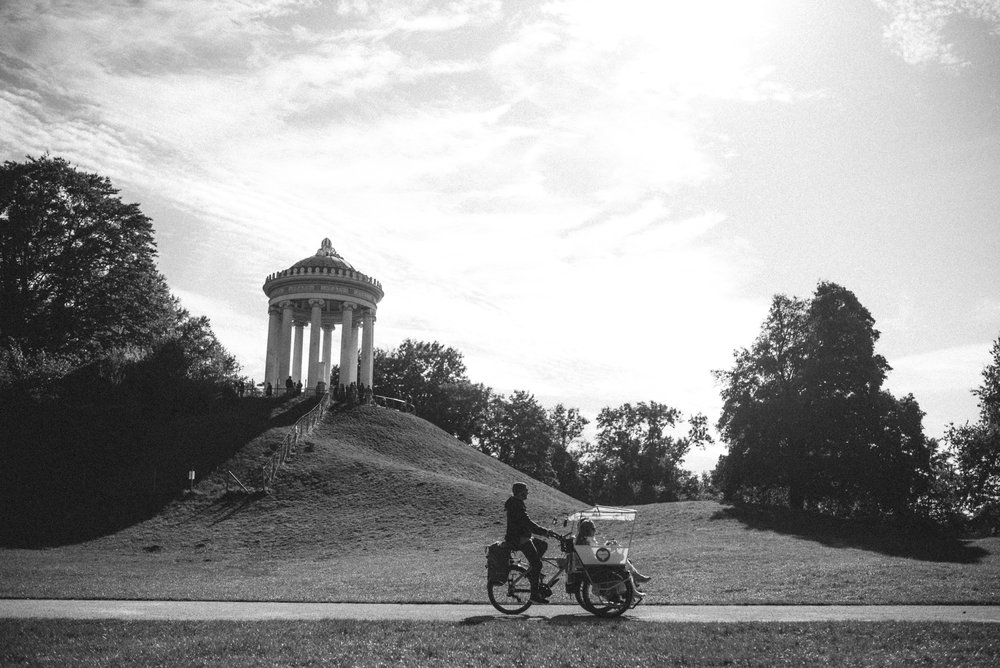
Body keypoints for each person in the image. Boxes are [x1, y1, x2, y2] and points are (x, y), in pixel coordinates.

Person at [505, 482, 559, 603]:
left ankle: (534, 571)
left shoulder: (517, 503)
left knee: (543, 545)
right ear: (520, 492)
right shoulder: (516, 505)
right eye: (526, 490)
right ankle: (534, 595)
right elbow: (528, 523)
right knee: (537, 564)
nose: (527, 492)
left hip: (523, 537)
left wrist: (545, 532)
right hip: (518, 539)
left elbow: (527, 524)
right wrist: (545, 532)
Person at [575, 519, 651, 588]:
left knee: (622, 558)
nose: (595, 531)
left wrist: (606, 546)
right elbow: (595, 554)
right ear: (588, 530)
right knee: (621, 558)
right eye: (593, 529)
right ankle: (635, 577)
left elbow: (595, 551)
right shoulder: (587, 541)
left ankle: (634, 579)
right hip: (598, 565)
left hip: (596, 562)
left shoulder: (584, 540)